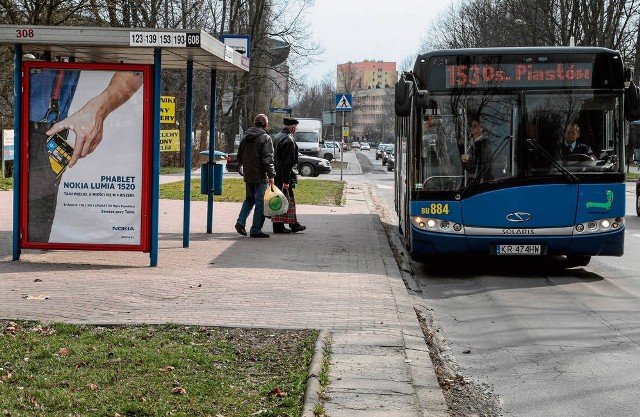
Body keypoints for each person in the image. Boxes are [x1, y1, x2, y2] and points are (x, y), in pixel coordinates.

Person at [27, 69, 143, 242]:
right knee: (35, 214)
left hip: (46, 123)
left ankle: (33, 244)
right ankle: (31, 245)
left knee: (36, 220)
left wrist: (100, 109)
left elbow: (137, 67)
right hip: (41, 122)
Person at [234, 113, 276, 238]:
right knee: (260, 202)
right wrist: (271, 175)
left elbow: (239, 156)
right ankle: (256, 229)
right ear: (265, 124)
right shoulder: (265, 138)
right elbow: (268, 158)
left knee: (249, 199)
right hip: (261, 175)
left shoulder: (246, 137)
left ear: (255, 123)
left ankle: (240, 222)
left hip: (248, 174)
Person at [271, 117, 306, 234]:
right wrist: (286, 181)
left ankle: (292, 223)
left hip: (276, 174)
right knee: (285, 199)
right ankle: (280, 226)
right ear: (292, 127)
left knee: (282, 199)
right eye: (295, 127)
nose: (295, 129)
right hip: (283, 175)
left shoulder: (277, 137)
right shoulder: (288, 140)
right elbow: (286, 163)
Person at [460, 116, 493, 181]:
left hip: (482, 177)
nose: (471, 128)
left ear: (481, 128)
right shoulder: (468, 142)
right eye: (470, 126)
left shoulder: (485, 143)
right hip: (469, 176)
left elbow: (484, 160)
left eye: (474, 126)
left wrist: (469, 158)